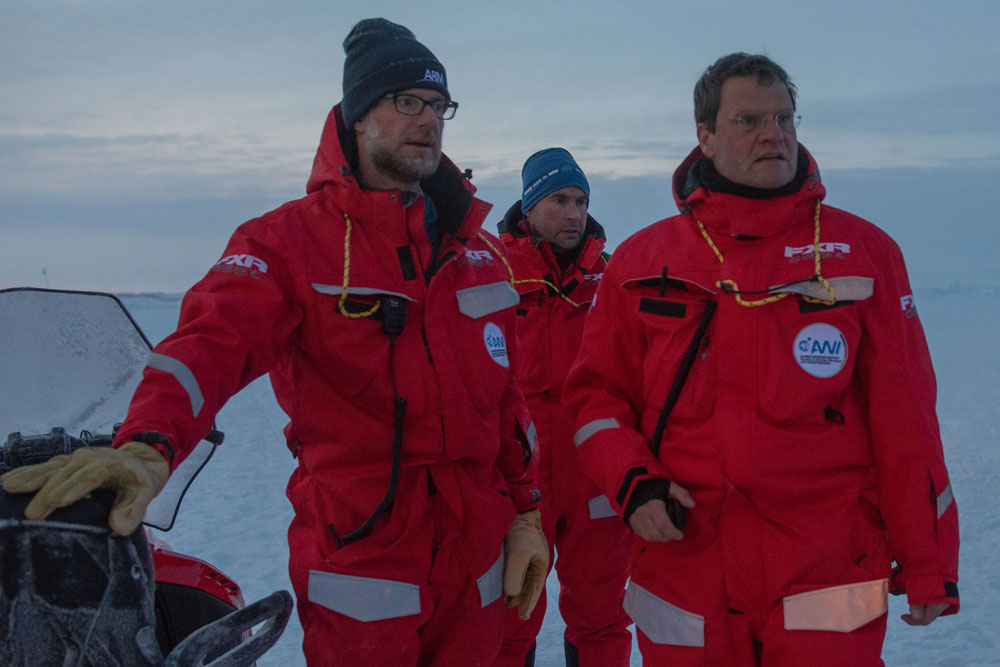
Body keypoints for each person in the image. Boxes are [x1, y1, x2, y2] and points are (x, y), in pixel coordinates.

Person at [1, 18, 549, 666]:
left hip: (475, 560)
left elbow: (506, 401)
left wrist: (527, 512)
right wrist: (148, 444)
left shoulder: (478, 254)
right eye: (407, 100)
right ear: (357, 113)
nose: (427, 119)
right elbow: (208, 343)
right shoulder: (289, 244)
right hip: (365, 560)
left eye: (438, 105)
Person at [562, 53, 960, 666]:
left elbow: (905, 419)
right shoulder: (641, 262)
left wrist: (929, 560)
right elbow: (595, 399)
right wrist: (632, 484)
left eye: (784, 118)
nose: (773, 134)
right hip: (686, 563)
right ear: (705, 136)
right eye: (748, 119)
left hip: (826, 563)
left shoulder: (863, 254)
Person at [492, 148, 633, 666]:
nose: (574, 212)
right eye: (559, 200)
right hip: (519, 485)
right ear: (528, 208)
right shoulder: (492, 275)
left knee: (603, 617)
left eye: (580, 200)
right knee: (511, 615)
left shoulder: (613, 278)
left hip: (596, 479)